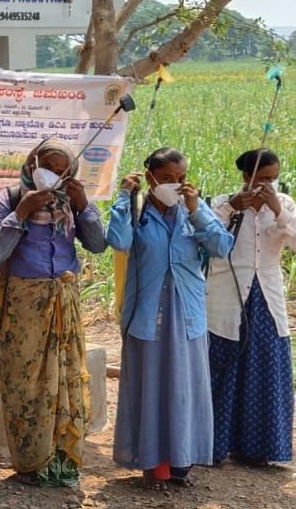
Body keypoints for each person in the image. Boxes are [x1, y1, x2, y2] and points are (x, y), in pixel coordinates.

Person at [108, 146, 233, 488]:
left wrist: (196, 211)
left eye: (180, 179)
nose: (175, 186)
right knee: (149, 388)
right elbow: (118, 241)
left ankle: (180, 461)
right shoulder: (136, 210)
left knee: (184, 388)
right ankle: (150, 464)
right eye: (166, 179)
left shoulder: (194, 210)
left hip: (187, 316)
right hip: (146, 314)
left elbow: (222, 247)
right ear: (150, 178)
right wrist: (122, 196)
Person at [0, 138, 105, 489]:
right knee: (25, 381)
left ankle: (61, 464)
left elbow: (98, 244)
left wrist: (85, 207)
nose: (52, 174)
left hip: (63, 301)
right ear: (32, 161)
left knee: (66, 379)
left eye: (61, 169)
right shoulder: (8, 198)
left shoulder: (70, 203)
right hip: (22, 306)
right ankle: (29, 463)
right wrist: (21, 213)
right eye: (47, 165)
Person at [206, 149, 296, 466]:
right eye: (263, 179)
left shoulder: (284, 205)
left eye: (274, 179)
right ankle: (214, 446)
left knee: (265, 365)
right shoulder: (223, 204)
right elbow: (206, 237)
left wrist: (277, 211)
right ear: (247, 178)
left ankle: (259, 449)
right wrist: (232, 206)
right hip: (227, 296)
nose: (270, 185)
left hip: (267, 296)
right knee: (225, 363)